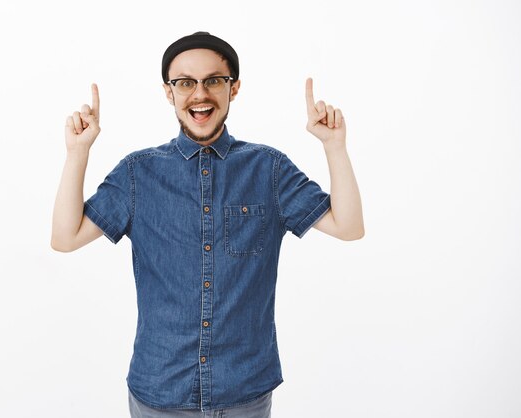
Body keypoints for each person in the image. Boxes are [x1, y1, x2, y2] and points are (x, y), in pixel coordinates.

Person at [51, 32, 364, 417]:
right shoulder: (138, 173)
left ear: (234, 88)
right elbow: (65, 238)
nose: (200, 94)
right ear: (169, 92)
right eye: (185, 82)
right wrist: (77, 153)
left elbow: (348, 226)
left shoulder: (269, 169)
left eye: (214, 80)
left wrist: (334, 147)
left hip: (244, 392)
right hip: (160, 390)